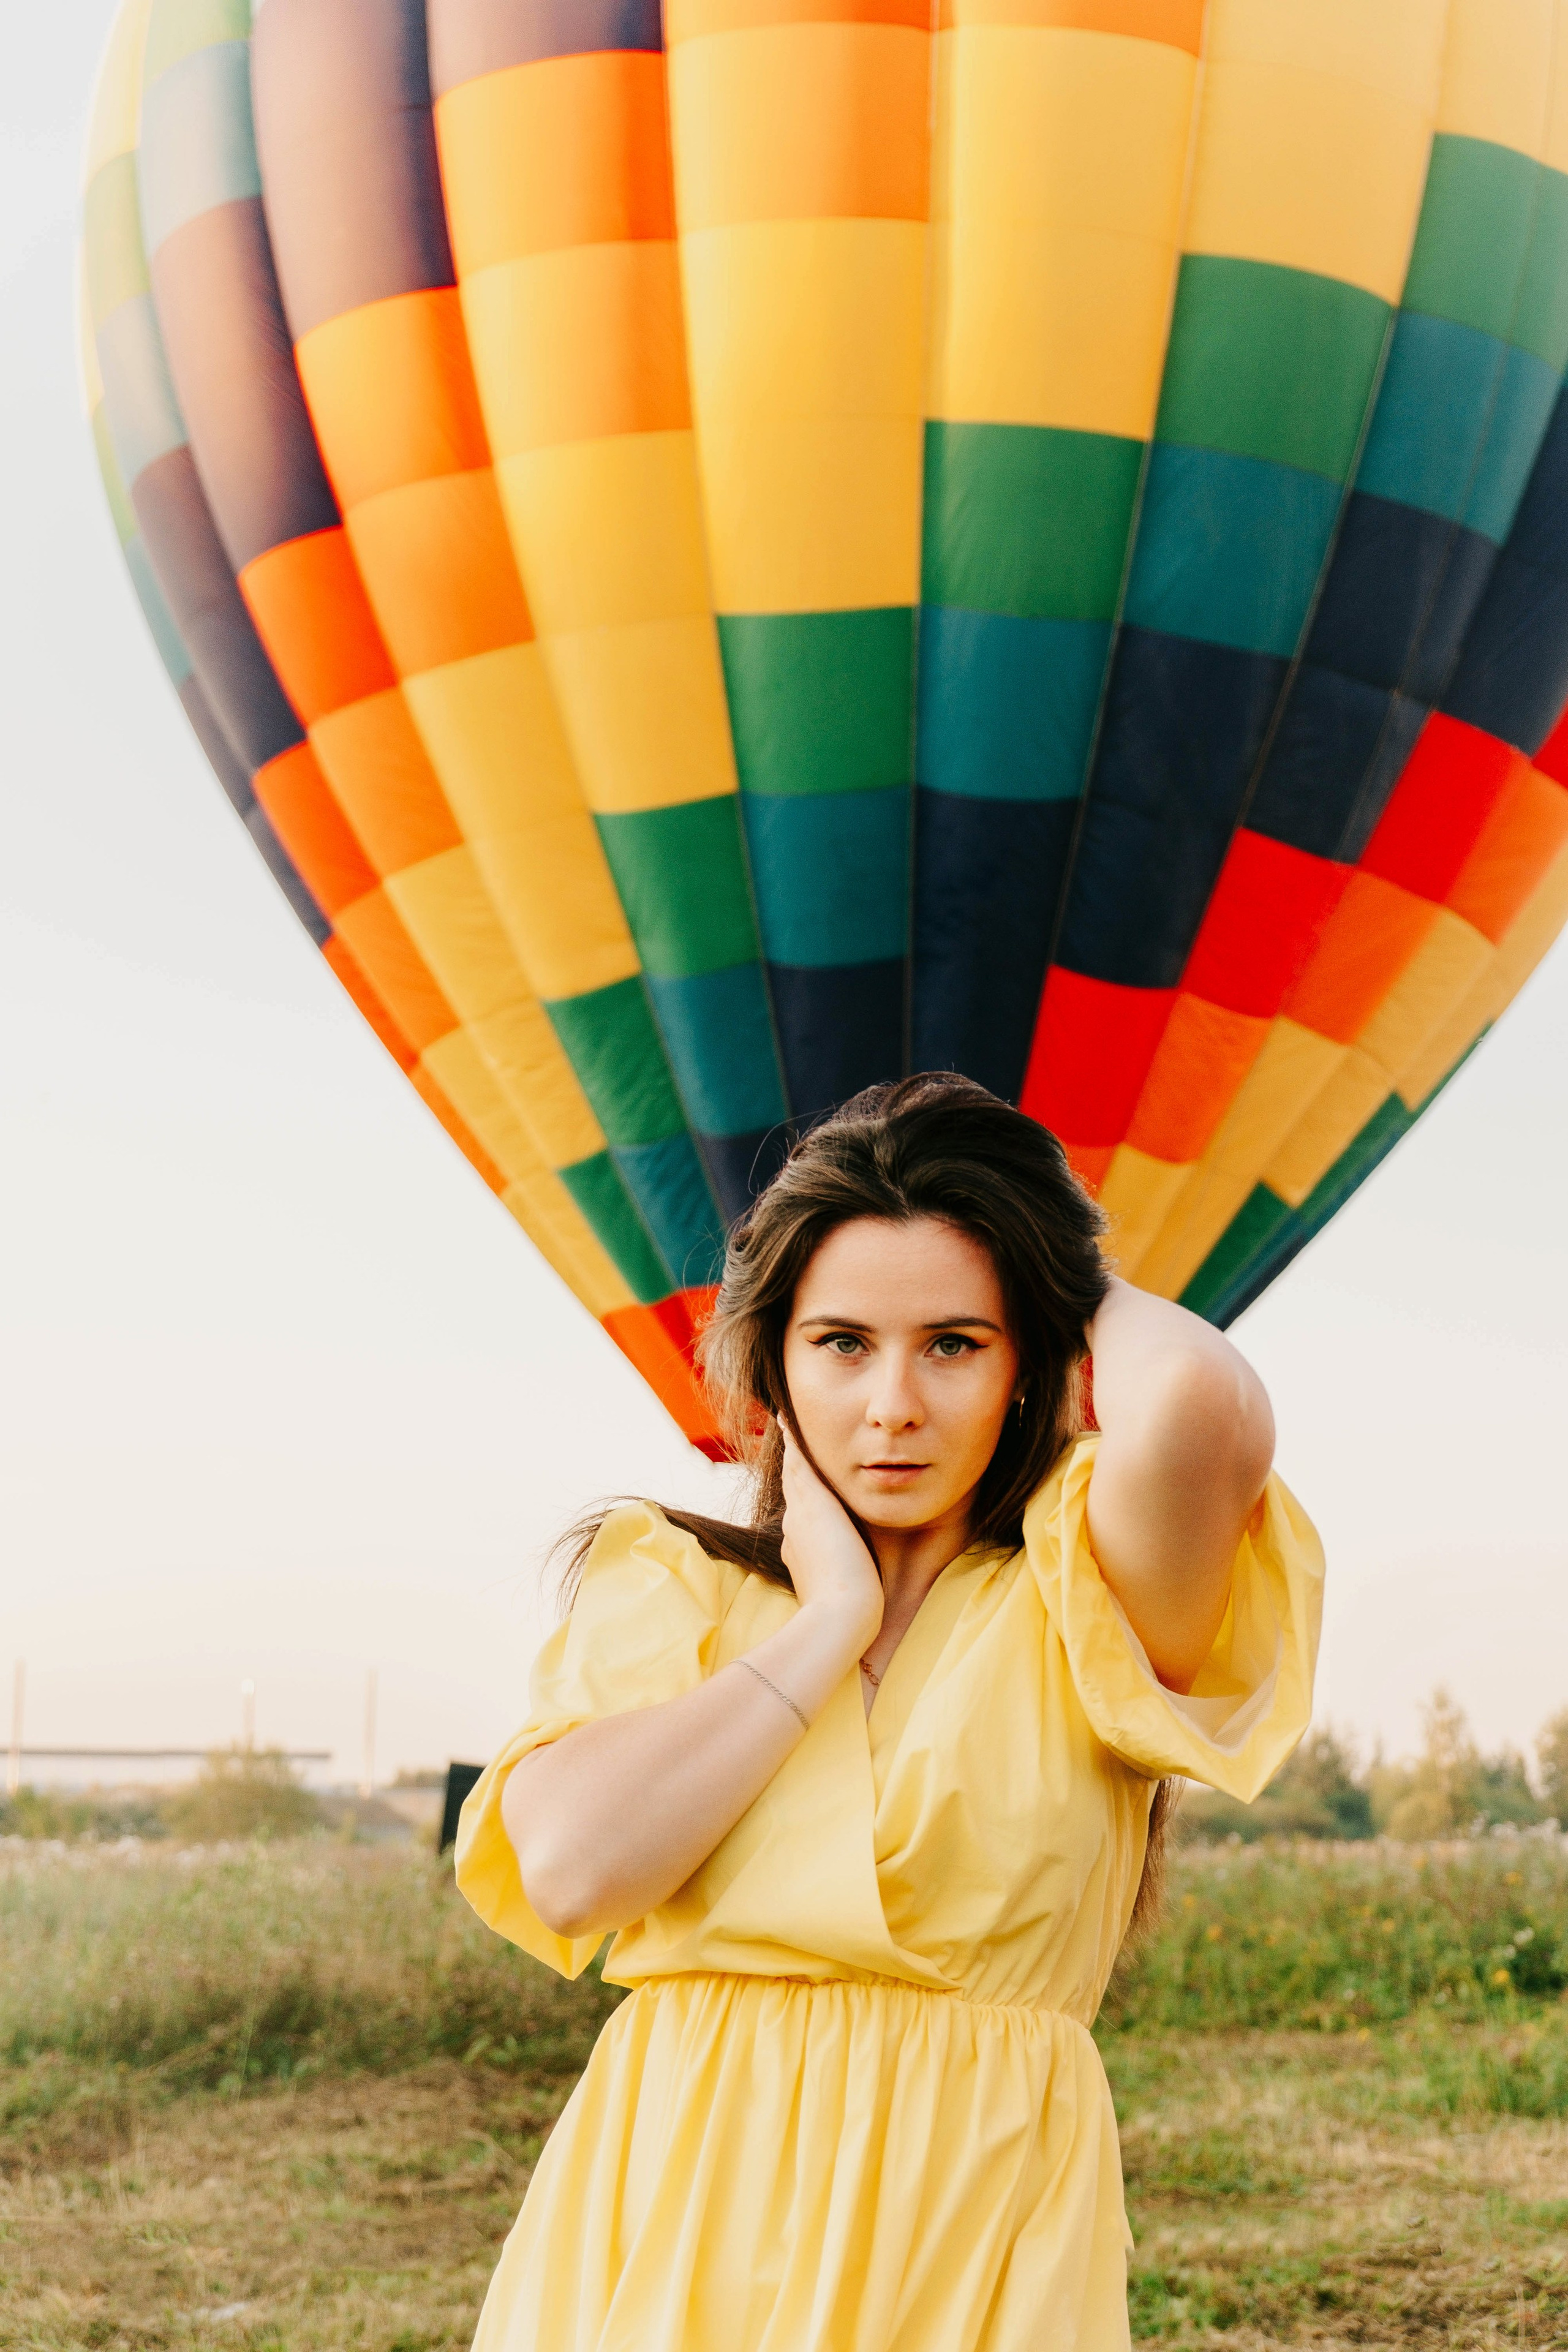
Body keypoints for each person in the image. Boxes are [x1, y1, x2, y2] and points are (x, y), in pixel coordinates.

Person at [456, 1073, 1323, 2351]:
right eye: (842, 1342)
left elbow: (1202, 1407)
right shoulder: (671, 1585)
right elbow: (576, 1871)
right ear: (775, 1358)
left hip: (968, 2222)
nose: (893, 1406)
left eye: (954, 1344)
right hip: (676, 2207)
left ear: (1033, 1355)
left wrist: (1048, 1253)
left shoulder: (1086, 1594)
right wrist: (823, 1627)